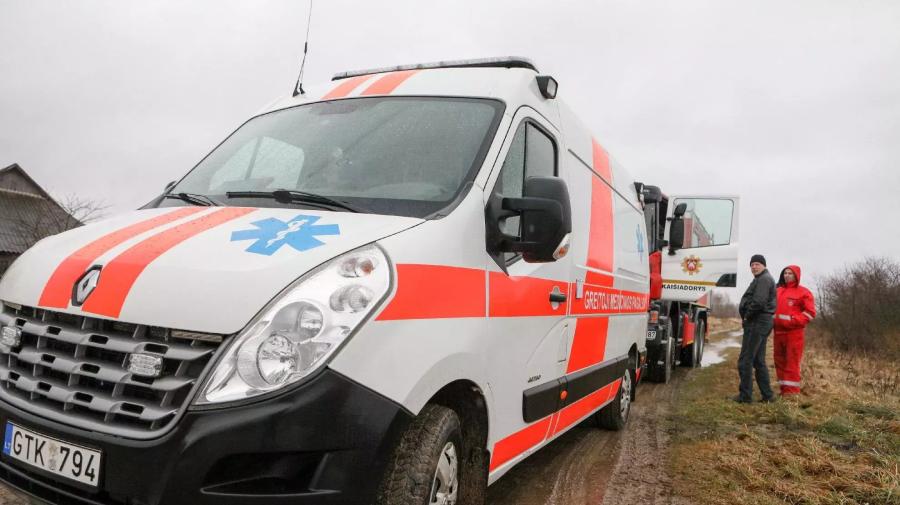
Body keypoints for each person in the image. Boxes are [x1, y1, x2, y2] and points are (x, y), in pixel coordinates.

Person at [736, 254, 776, 403]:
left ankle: (745, 396)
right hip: (761, 322)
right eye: (752, 265)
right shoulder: (761, 279)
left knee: (745, 360)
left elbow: (759, 302)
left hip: (757, 322)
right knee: (758, 361)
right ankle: (768, 396)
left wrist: (747, 316)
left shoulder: (764, 279)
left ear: (764, 265)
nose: (754, 267)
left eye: (757, 264)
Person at [773, 265, 816, 397]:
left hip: (794, 334)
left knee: (791, 363)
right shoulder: (778, 291)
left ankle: (791, 394)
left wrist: (792, 321)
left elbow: (810, 313)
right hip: (778, 333)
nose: (787, 275)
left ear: (796, 275)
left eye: (790, 273)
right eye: (785, 273)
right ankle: (783, 390)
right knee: (779, 362)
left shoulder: (804, 292)